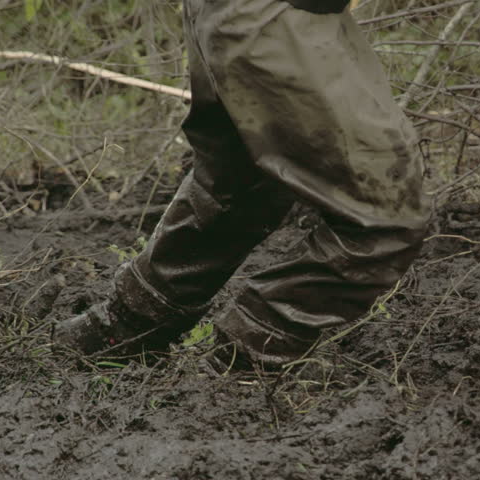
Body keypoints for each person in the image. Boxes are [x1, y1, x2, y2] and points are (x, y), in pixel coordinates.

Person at [54, 0, 430, 370]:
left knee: (243, 181)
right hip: (277, 20)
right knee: (386, 216)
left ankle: (120, 330)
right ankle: (239, 370)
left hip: (235, 14)